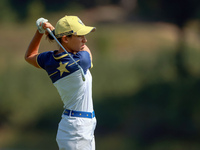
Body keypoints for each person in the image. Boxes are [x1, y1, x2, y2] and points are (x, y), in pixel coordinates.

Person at [24, 15, 97, 150]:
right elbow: (86, 51)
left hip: (79, 126)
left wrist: (40, 31)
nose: (84, 40)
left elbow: (29, 56)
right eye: (80, 36)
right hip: (77, 129)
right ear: (65, 38)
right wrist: (52, 31)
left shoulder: (49, 59)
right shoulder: (80, 61)